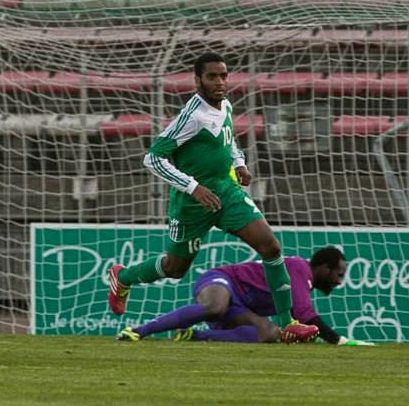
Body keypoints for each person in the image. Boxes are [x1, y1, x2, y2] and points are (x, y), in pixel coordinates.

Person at [107, 53, 318, 342]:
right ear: (197, 80)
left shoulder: (226, 105)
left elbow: (229, 140)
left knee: (270, 247)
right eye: (212, 76)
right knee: (175, 268)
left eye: (223, 75)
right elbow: (153, 158)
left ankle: (287, 324)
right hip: (192, 203)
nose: (220, 82)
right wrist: (194, 187)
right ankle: (125, 277)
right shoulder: (192, 116)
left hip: (226, 193)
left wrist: (239, 163)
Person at [117, 246, 373, 345]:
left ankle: (195, 336)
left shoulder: (302, 280)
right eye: (339, 275)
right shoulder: (299, 268)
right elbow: (305, 314)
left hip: (239, 308)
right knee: (216, 306)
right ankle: (140, 330)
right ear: (324, 269)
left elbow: (297, 322)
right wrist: (339, 341)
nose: (340, 281)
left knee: (270, 333)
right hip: (222, 281)